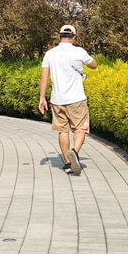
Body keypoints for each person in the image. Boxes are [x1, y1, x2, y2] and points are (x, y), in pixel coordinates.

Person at [38, 24, 97, 175]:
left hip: (57, 100)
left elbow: (44, 76)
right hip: (76, 98)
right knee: (81, 128)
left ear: (59, 37)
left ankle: (68, 163)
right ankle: (75, 152)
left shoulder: (50, 54)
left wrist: (42, 98)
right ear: (74, 37)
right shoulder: (79, 51)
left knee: (62, 131)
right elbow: (94, 65)